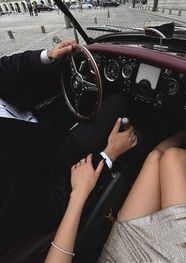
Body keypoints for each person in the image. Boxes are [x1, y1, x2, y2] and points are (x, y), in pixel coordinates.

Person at [0, 40, 136, 256]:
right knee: (118, 102)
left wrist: (48, 55)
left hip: (41, 123)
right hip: (57, 167)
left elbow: (5, 67)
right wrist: (108, 155)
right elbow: (50, 204)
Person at [44, 129, 186, 262]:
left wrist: (79, 193)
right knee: (174, 160)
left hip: (122, 257)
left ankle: (185, 132)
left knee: (156, 158)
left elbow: (59, 255)